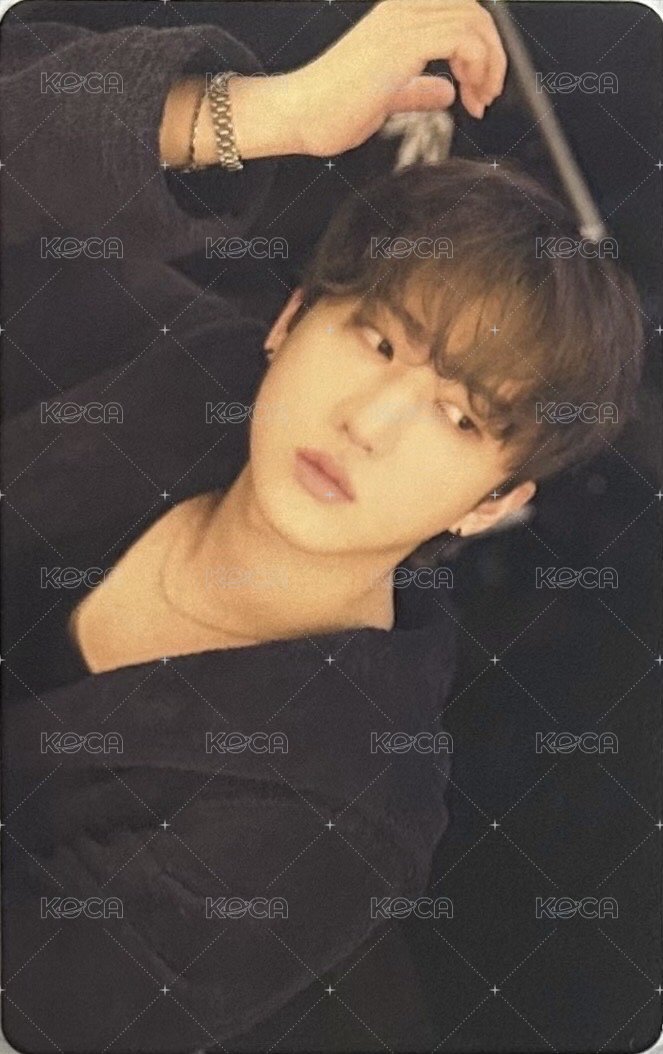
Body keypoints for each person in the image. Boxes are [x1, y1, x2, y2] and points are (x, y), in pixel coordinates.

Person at [0, 2, 644, 1051]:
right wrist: (270, 113)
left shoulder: (341, 811)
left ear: (491, 502)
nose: (368, 424)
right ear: (292, 319)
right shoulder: (169, 358)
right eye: (380, 343)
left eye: (461, 417)